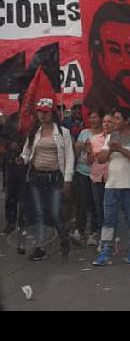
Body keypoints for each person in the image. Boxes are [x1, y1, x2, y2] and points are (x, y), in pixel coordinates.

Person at [19, 98, 75, 261]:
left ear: (52, 113)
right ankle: (40, 247)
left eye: (45, 112)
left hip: (55, 178)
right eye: (40, 112)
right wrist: (22, 159)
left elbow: (69, 157)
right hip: (36, 178)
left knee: (55, 212)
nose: (42, 115)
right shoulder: (34, 131)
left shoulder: (63, 132)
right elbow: (27, 152)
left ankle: (64, 238)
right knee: (39, 213)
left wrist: (68, 180)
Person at [92, 107, 130, 266]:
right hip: (112, 186)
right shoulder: (111, 137)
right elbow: (101, 159)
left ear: (127, 120)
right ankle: (105, 252)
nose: (113, 122)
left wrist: (121, 149)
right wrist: (110, 148)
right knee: (108, 219)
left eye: (117, 119)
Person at [72, 108, 104, 246]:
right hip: (82, 172)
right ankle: (80, 230)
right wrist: (82, 147)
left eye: (95, 117)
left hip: (98, 173)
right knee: (81, 202)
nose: (93, 120)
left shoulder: (105, 134)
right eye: (90, 117)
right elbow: (76, 151)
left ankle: (94, 232)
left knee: (95, 203)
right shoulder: (84, 132)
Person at [89, 113, 115, 251]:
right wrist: (88, 154)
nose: (106, 124)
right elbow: (89, 160)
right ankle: (103, 238)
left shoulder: (119, 139)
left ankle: (111, 239)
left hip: (113, 178)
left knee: (111, 210)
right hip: (97, 178)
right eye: (104, 122)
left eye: (109, 121)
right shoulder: (94, 139)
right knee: (100, 210)